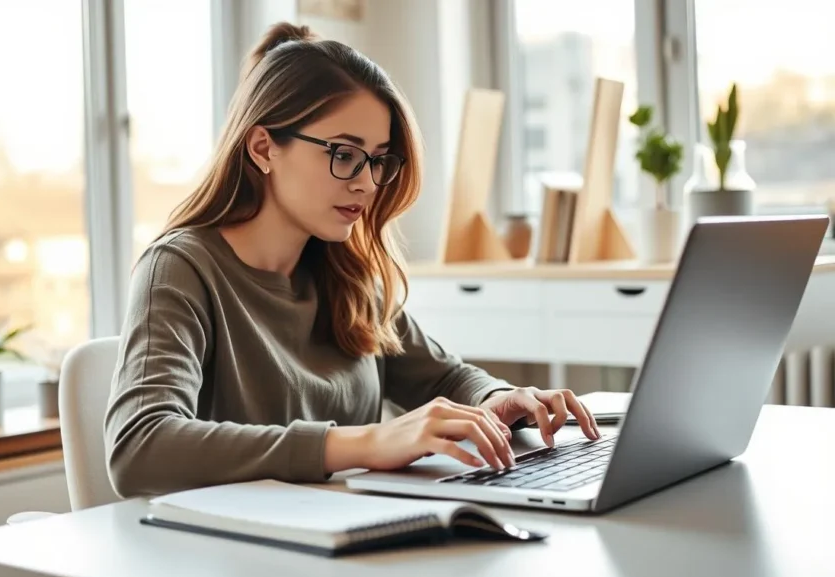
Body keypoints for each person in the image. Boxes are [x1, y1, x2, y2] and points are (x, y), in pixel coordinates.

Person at [104, 22, 600, 498]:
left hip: (352, 535)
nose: (366, 181)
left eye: (379, 158)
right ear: (263, 148)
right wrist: (364, 443)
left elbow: (443, 377)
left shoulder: (347, 271)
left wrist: (497, 399)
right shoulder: (182, 268)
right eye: (344, 153)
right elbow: (139, 446)